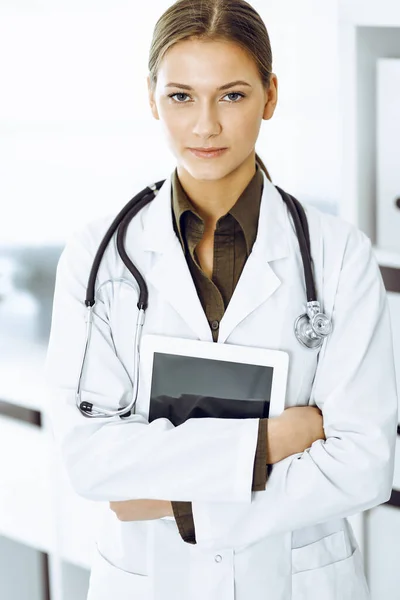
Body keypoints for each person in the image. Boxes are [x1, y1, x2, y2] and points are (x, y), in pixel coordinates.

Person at [44, 1, 398, 599]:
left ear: (271, 95)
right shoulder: (98, 257)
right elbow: (89, 459)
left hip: (298, 582)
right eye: (181, 96)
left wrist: (177, 505)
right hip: (146, 581)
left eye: (231, 95)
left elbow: (362, 465)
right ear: (151, 97)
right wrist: (274, 440)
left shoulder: (339, 256)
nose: (205, 125)